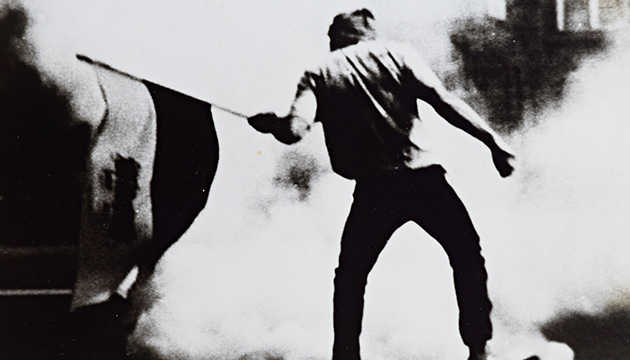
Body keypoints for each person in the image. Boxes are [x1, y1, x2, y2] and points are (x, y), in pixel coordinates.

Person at [248, 8, 515, 360]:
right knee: (466, 255)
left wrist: (272, 124)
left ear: (338, 37)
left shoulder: (318, 73)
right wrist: (493, 143)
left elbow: (294, 131)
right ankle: (479, 349)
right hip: (423, 179)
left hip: (375, 190)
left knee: (351, 276)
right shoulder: (398, 53)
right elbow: (444, 101)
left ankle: (345, 354)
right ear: (368, 33)